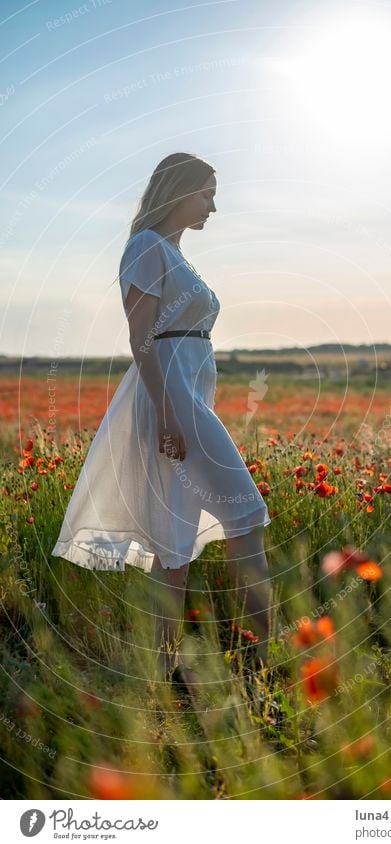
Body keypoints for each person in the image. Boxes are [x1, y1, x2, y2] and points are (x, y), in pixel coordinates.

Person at [51, 152, 275, 686]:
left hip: (188, 401)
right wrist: (171, 415)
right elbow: (140, 340)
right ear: (179, 191)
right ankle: (270, 656)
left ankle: (164, 672)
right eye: (206, 193)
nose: (213, 206)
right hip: (173, 404)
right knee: (247, 516)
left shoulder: (173, 254)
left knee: (174, 545)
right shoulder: (147, 247)